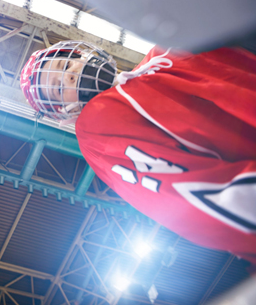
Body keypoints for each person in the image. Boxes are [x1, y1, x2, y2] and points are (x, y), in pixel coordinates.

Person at [20, 40, 256, 269]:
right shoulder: (99, 124)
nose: (69, 74)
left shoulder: (163, 54)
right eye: (59, 88)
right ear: (63, 111)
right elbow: (199, 199)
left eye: (65, 65)